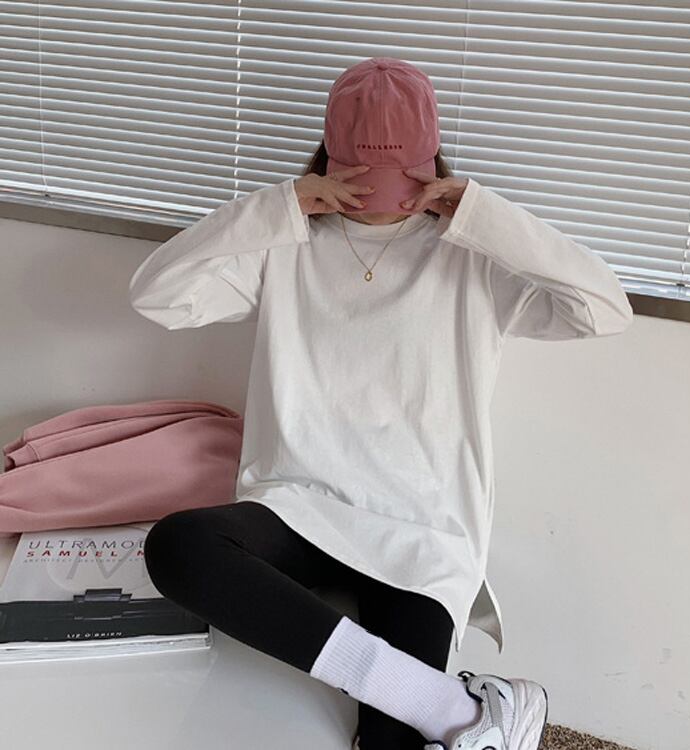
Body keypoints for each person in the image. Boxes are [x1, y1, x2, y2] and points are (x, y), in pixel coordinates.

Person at [129, 57, 633, 750]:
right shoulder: (283, 245)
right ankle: (462, 710)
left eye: (401, 175)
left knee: (390, 740)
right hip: (299, 509)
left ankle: (431, 704)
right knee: (179, 547)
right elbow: (156, 295)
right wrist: (278, 207)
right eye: (362, 173)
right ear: (329, 164)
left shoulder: (472, 255)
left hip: (421, 533)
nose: (381, 192)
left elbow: (604, 309)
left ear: (432, 166)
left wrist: (482, 214)